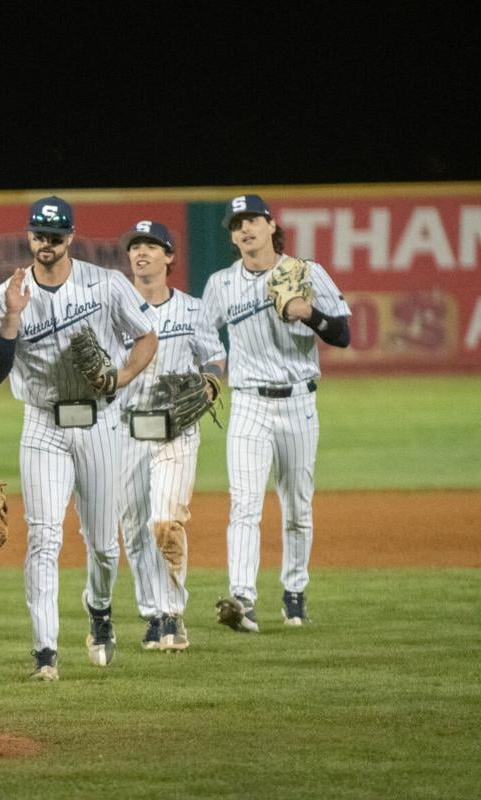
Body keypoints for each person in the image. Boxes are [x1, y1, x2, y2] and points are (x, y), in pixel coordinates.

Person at [0, 196, 157, 677]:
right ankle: (45, 652)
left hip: (98, 421)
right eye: (39, 235)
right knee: (43, 537)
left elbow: (146, 336)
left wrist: (121, 378)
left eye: (56, 235)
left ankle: (99, 610)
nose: (47, 243)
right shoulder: (7, 293)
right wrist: (11, 320)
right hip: (41, 425)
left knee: (103, 542)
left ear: (71, 236)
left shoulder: (105, 285)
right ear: (29, 236)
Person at [202, 194, 351, 631]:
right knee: (244, 504)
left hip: (299, 401)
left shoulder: (305, 272)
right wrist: (210, 371)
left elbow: (342, 333)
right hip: (248, 402)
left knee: (297, 507)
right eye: (236, 225)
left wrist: (310, 314)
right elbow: (204, 337)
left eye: (252, 220)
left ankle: (294, 592)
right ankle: (242, 598)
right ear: (232, 236)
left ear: (271, 225)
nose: (244, 229)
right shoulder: (220, 284)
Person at [116, 221, 225, 651]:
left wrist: (211, 382)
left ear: (169, 257)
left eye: (151, 246)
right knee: (136, 530)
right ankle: (152, 613)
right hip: (124, 432)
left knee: (165, 521)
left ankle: (173, 613)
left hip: (176, 431)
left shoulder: (193, 309)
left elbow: (215, 356)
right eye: (135, 246)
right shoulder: (114, 309)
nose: (141, 252)